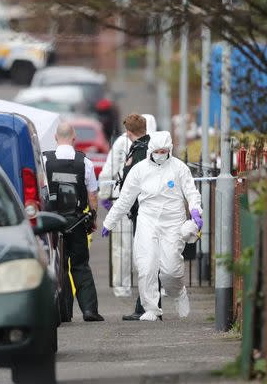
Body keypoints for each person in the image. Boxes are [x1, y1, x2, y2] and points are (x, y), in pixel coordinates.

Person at [101, 131, 203, 321]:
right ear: (151, 150)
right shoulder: (139, 170)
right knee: (146, 266)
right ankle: (151, 308)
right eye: (157, 150)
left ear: (170, 150)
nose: (160, 153)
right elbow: (125, 199)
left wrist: (196, 210)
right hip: (147, 220)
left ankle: (178, 292)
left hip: (173, 221)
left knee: (171, 270)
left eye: (164, 150)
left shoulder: (179, 168)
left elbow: (191, 192)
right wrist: (110, 221)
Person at [44, 122, 104, 322]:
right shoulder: (84, 162)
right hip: (77, 221)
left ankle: (64, 312)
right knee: (80, 265)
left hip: (52, 222)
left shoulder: (45, 160)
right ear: (74, 137)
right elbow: (92, 194)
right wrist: (93, 216)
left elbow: (40, 188)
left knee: (58, 267)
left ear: (55, 137)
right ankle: (89, 310)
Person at [98, 113, 156, 297]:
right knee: (153, 245)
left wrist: (104, 195)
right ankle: (154, 286)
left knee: (122, 247)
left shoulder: (121, 143)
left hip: (122, 199)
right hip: (150, 201)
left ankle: (122, 287)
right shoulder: (157, 144)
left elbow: (108, 171)